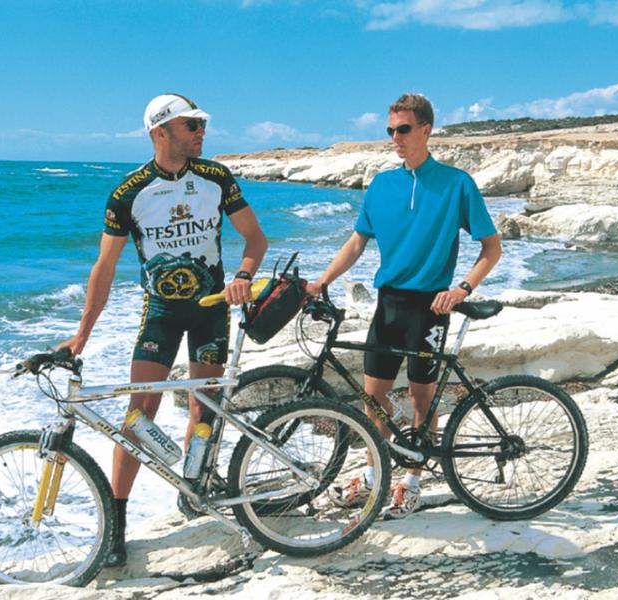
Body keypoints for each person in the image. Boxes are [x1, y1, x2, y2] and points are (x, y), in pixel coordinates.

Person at [58, 93, 267, 566]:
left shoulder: (216, 178)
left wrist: (242, 277)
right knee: (140, 413)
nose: (201, 132)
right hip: (162, 313)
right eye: (192, 125)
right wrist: (81, 335)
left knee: (205, 405)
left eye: (201, 125)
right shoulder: (128, 193)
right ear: (161, 131)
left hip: (212, 307)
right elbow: (104, 268)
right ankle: (117, 520)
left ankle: (195, 485)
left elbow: (255, 238)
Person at [306, 93, 501, 520]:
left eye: (404, 129)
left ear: (426, 129)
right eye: (390, 130)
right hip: (388, 302)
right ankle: (377, 476)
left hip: (429, 307)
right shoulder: (381, 185)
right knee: (372, 398)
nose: (395, 137)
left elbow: (491, 247)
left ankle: (412, 482)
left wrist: (462, 289)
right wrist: (322, 280)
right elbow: (358, 242)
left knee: (420, 400)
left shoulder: (456, 183)